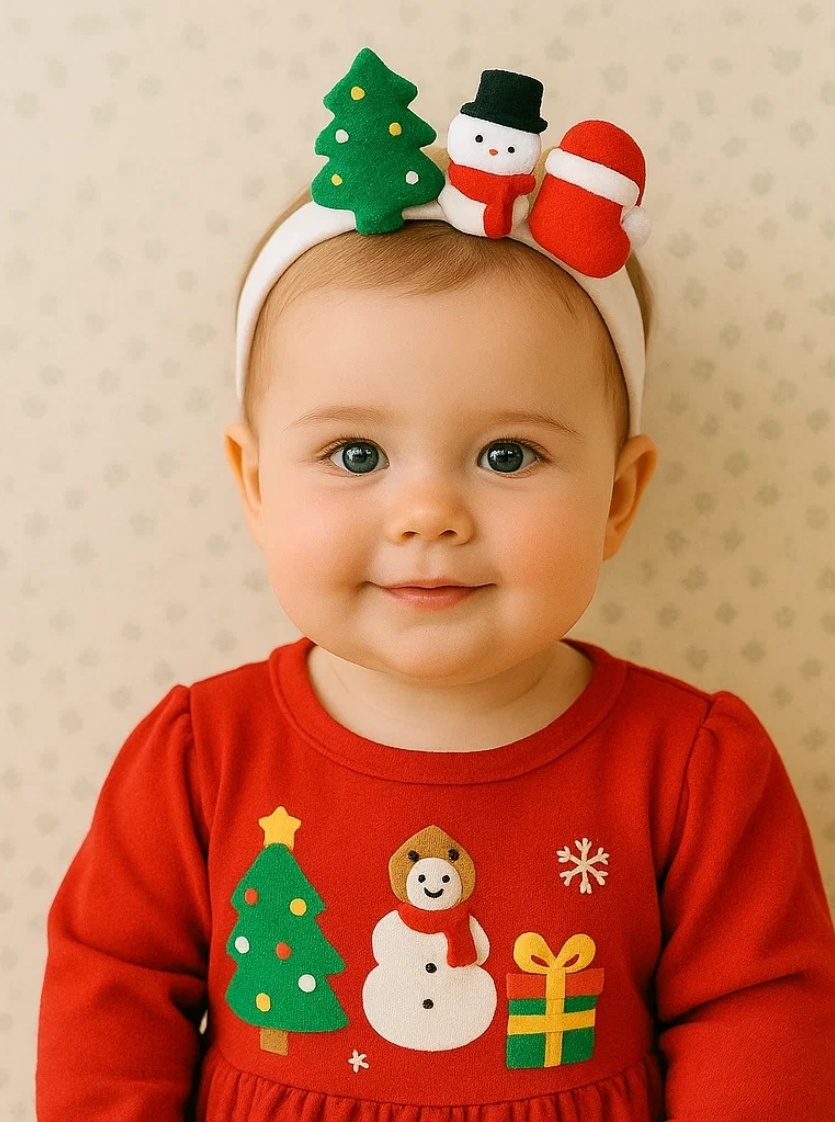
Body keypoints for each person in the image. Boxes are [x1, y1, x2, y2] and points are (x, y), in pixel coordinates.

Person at [36, 49, 835, 1122]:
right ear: (256, 484)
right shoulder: (196, 758)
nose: (430, 514)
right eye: (357, 455)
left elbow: (765, 1025)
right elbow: (108, 1010)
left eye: (507, 456)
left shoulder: (695, 770)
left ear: (616, 496)